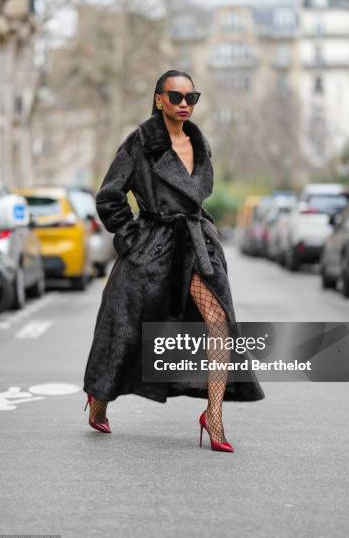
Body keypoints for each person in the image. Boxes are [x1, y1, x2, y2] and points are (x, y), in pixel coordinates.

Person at [83, 69, 265, 452]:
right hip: (152, 248)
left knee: (218, 325)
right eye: (177, 97)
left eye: (191, 98)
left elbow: (198, 198)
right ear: (158, 99)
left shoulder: (200, 144)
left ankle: (213, 417)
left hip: (197, 245)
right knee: (123, 327)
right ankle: (98, 401)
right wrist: (133, 239)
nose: (185, 105)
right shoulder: (140, 143)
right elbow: (109, 197)